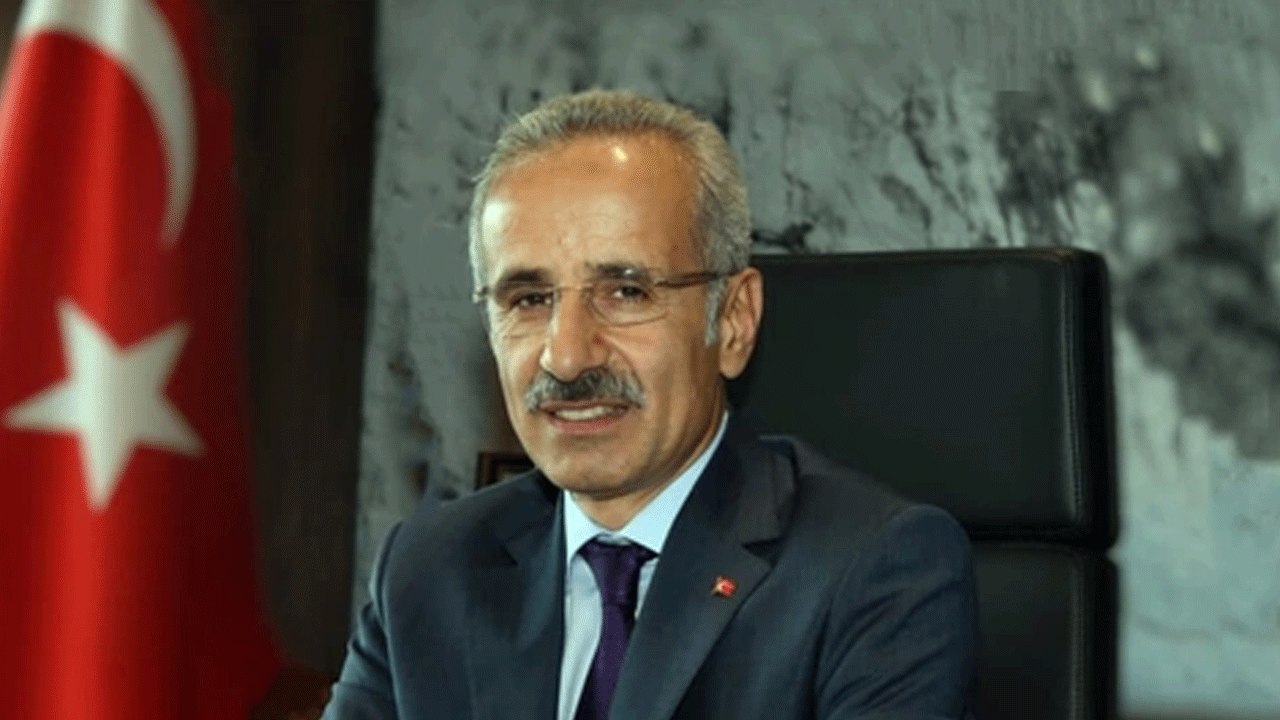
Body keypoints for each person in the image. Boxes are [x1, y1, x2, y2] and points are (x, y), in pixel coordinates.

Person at [321, 89, 978, 720]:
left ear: (734, 321)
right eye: (529, 299)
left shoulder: (874, 571)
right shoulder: (431, 568)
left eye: (626, 292)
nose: (566, 357)